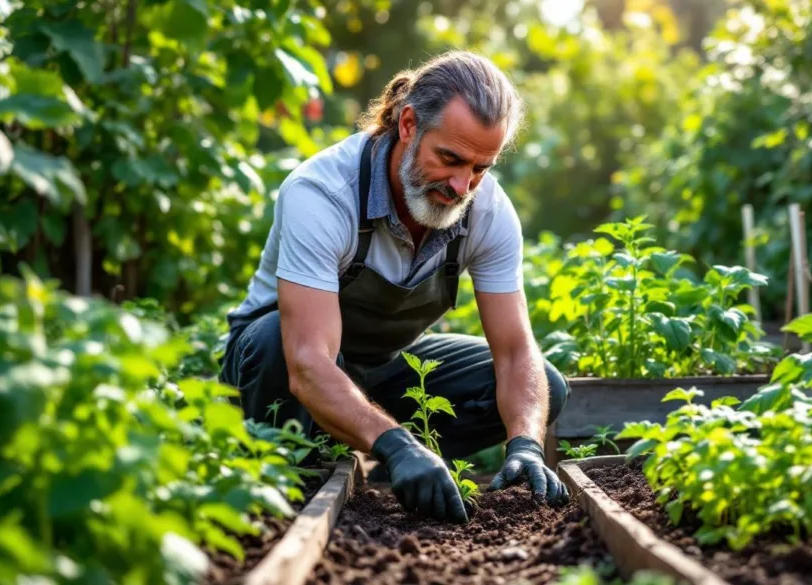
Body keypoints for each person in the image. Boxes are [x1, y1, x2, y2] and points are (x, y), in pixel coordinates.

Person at [218, 51, 571, 525]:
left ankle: (384, 451)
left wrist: (525, 442)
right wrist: (400, 444)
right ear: (408, 125)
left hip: (381, 372)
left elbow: (514, 352)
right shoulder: (323, 194)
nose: (462, 184)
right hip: (281, 372)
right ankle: (302, 469)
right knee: (272, 344)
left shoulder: (487, 212)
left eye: (481, 168)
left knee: (544, 384)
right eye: (449, 159)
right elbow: (307, 362)